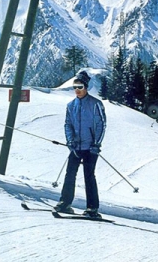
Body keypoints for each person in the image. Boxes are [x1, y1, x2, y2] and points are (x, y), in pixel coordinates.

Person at [55, 71, 107, 218]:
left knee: (88, 176)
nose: (77, 89)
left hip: (90, 148)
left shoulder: (96, 104)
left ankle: (92, 208)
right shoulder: (71, 105)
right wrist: (70, 141)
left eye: (80, 86)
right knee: (70, 174)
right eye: (75, 87)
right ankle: (65, 203)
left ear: (86, 87)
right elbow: (67, 124)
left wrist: (96, 144)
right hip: (76, 147)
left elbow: (101, 125)